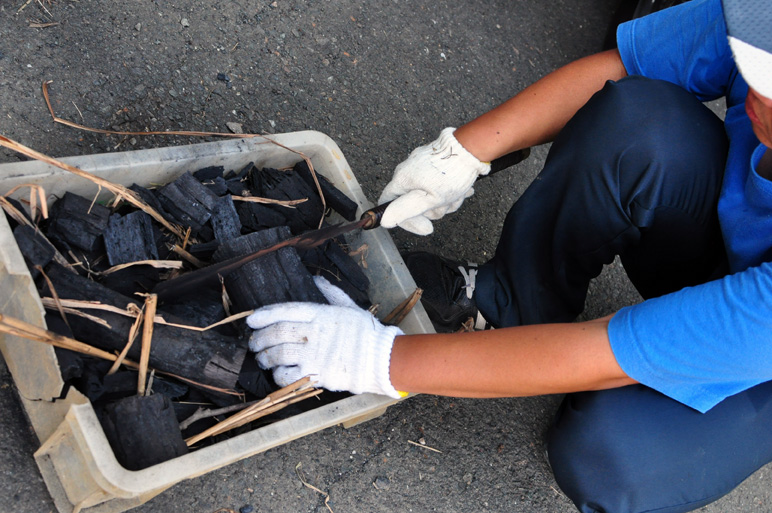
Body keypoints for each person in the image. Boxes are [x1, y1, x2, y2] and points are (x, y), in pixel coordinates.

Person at [247, 0, 772, 511]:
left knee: (610, 455)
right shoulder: (758, 22)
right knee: (639, 123)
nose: (756, 90)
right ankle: (511, 305)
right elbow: (625, 65)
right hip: (734, 258)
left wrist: (376, 359)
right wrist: (463, 153)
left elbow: (609, 352)